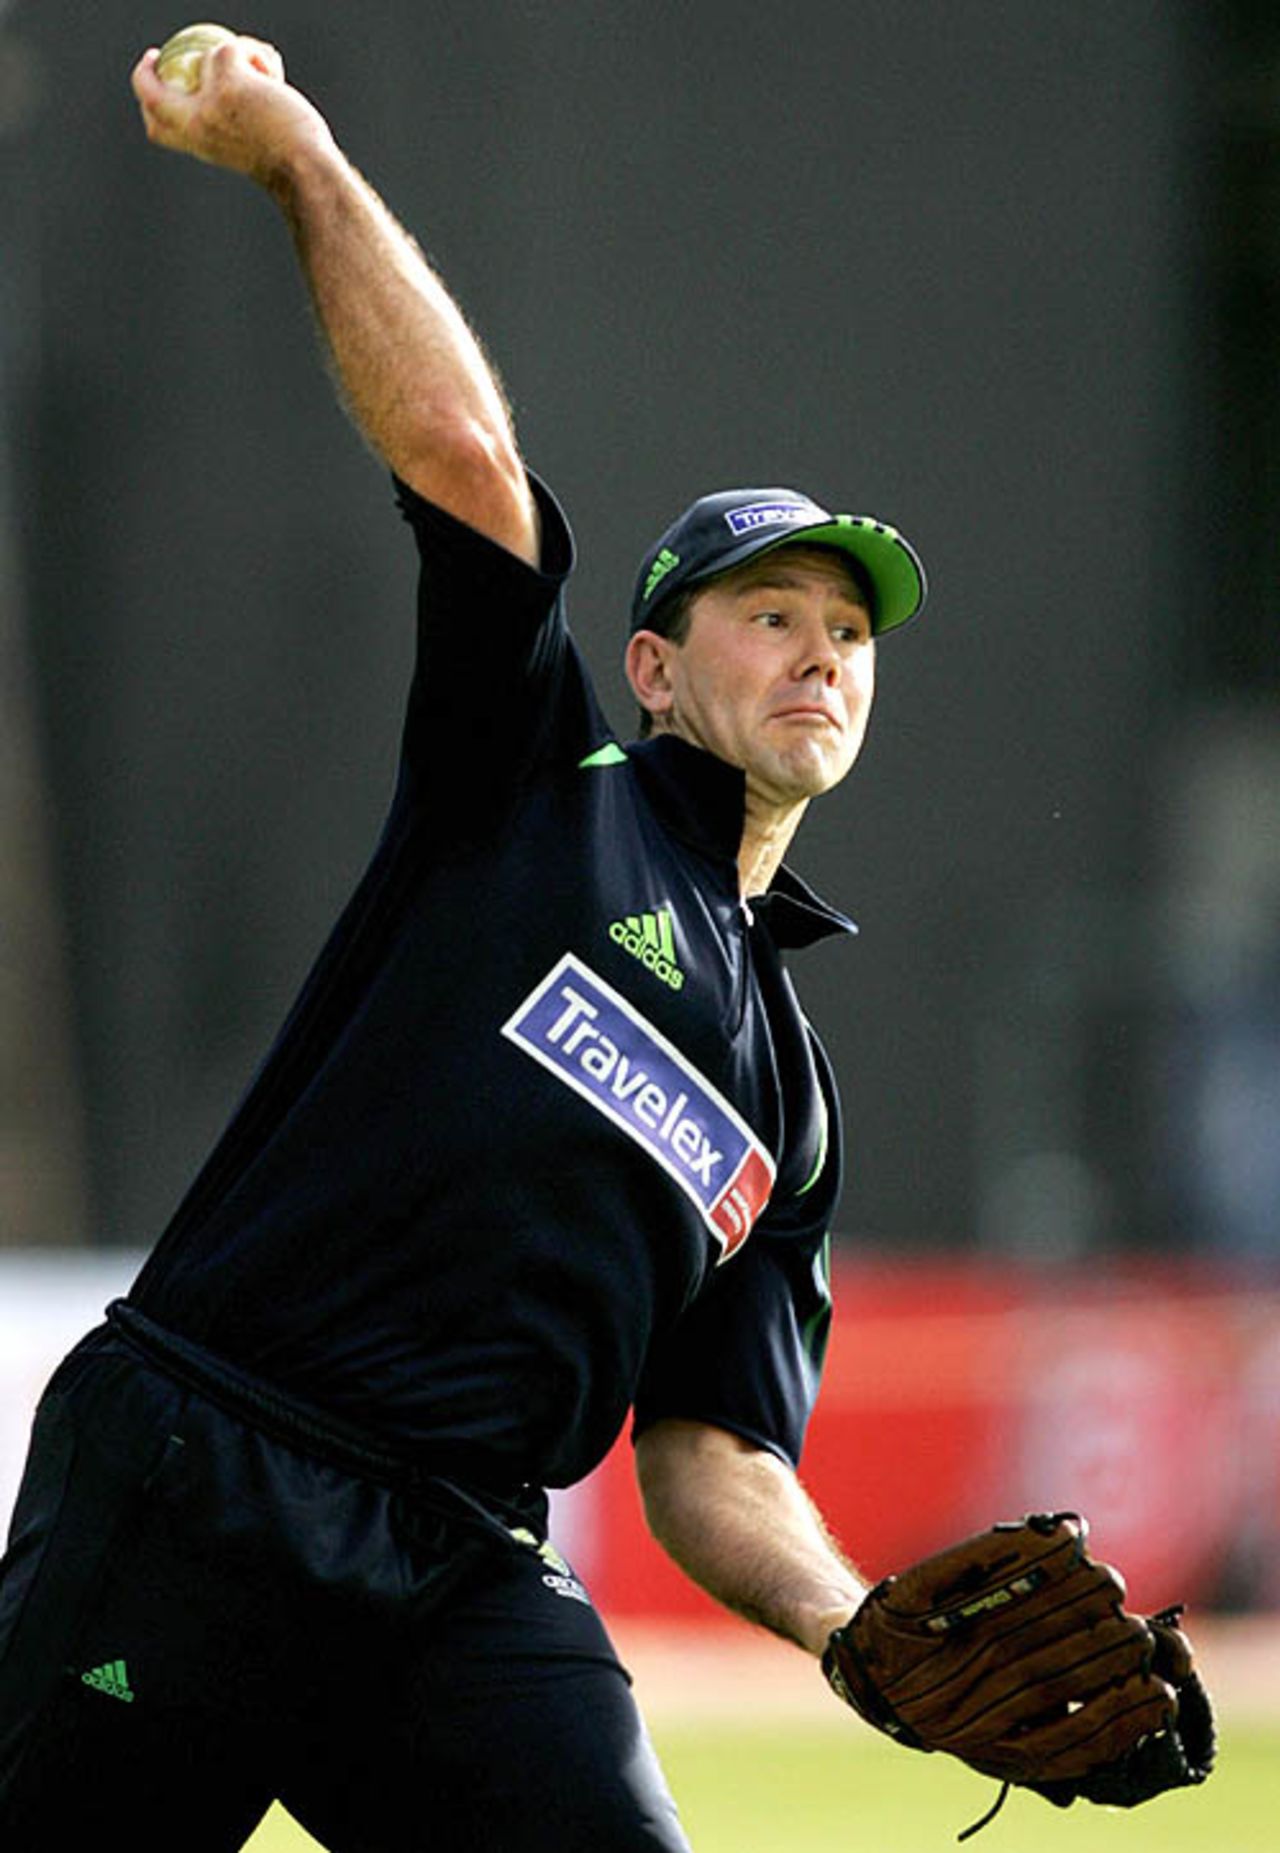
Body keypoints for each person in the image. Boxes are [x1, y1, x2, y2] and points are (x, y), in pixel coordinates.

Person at [3, 30, 1196, 1853]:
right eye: (767, 611)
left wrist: (848, 1622)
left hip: (462, 1562)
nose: (819, 650)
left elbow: (714, 1451)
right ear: (653, 666)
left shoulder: (785, 1098)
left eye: (848, 632)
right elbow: (461, 452)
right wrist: (303, 158)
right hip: (211, 1470)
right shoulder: (540, 782)